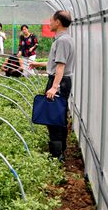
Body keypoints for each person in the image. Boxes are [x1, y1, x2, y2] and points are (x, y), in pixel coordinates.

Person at [30, 10, 75, 161]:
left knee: (54, 117)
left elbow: (61, 67)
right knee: (58, 115)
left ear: (58, 22)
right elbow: (57, 64)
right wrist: (38, 63)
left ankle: (56, 156)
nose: (49, 23)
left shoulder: (62, 41)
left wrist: (54, 87)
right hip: (61, 80)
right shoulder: (65, 39)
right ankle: (61, 150)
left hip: (59, 82)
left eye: (51, 20)